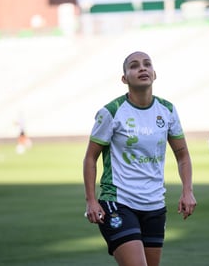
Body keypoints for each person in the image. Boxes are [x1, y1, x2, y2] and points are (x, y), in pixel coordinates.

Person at [83, 51, 197, 266]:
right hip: (118, 202)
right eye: (134, 66)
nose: (142, 68)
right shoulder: (111, 112)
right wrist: (91, 200)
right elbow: (90, 157)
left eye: (147, 64)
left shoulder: (168, 110)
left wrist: (187, 190)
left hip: (154, 204)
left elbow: (182, 155)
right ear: (124, 79)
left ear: (154, 74)